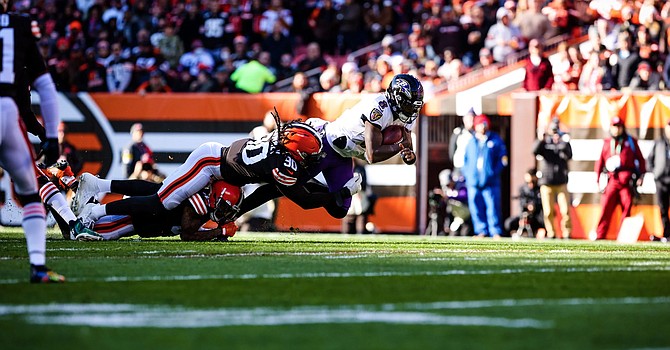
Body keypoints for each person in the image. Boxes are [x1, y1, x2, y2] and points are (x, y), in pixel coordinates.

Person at [76, 119, 363, 229]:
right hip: (211, 164)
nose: (313, 159)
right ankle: (96, 211)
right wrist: (342, 193)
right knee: (161, 203)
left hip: (217, 161)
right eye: (309, 155)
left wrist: (238, 211)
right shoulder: (282, 165)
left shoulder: (281, 148)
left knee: (161, 190)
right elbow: (303, 199)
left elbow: (274, 190)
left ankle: (97, 183)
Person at [0, 0, 65, 282]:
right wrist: (50, 135)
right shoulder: (19, 25)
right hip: (7, 110)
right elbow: (46, 87)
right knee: (29, 189)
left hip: (12, 109)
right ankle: (38, 266)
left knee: (30, 187)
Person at [67, 174, 239, 241]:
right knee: (73, 233)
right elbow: (188, 234)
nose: (224, 212)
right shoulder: (200, 204)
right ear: (215, 196)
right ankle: (61, 192)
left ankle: (96, 185)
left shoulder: (203, 191)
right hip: (135, 220)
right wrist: (220, 232)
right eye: (224, 206)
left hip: (143, 215)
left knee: (155, 191)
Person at [593, 116, 646, 240]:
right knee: (605, 208)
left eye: (619, 127)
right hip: (612, 180)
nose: (616, 130)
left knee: (627, 208)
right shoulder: (607, 143)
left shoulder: (631, 142)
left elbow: (641, 160)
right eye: (614, 127)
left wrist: (641, 176)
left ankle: (624, 237)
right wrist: (597, 179)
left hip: (626, 181)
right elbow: (600, 162)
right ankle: (600, 235)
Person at [462, 114, 508, 239]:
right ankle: (481, 230)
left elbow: (503, 159)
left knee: (493, 207)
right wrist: (468, 175)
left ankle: (495, 231)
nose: (483, 126)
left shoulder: (495, 140)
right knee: (476, 208)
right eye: (480, 124)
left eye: (484, 123)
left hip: (490, 181)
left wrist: (494, 172)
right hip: (474, 182)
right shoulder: (471, 141)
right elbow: (465, 161)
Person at [533, 117, 572, 239]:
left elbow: (569, 155)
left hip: (561, 181)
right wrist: (541, 138)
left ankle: (567, 233)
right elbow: (534, 151)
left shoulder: (562, 141)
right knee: (548, 211)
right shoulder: (545, 142)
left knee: (565, 210)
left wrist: (563, 141)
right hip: (547, 181)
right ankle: (551, 233)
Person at [647, 119, 670, 242]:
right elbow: (649, 160)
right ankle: (667, 234)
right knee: (663, 209)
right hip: (661, 181)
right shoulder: (659, 142)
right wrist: (655, 173)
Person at [504, 168, 544, 238]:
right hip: (524, 216)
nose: (530, 184)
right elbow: (521, 203)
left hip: (537, 218)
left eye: (532, 182)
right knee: (508, 223)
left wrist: (534, 207)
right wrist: (522, 216)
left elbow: (541, 205)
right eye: (528, 182)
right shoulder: (523, 189)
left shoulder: (541, 189)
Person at [449, 108, 475, 176]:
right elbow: (452, 149)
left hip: (472, 167)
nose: (470, 122)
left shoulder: (476, 135)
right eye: (468, 119)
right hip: (459, 166)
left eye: (472, 119)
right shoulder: (458, 132)